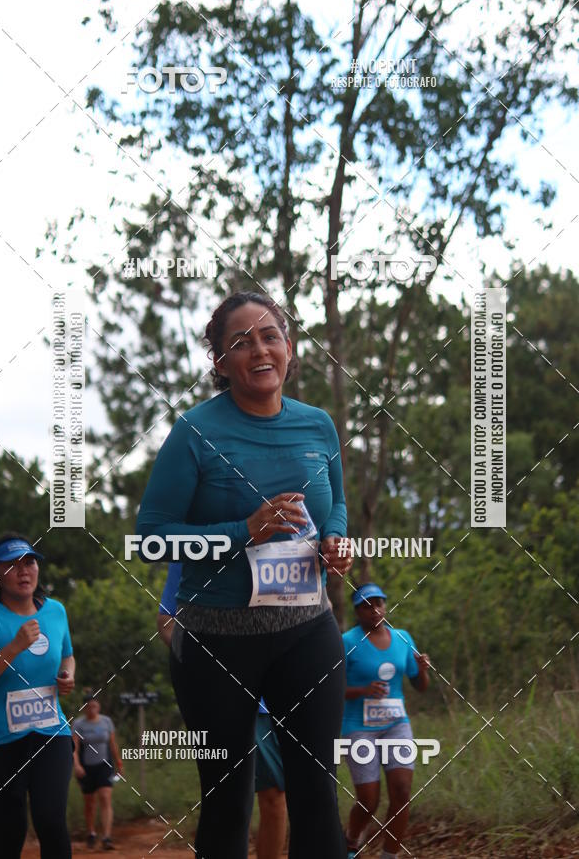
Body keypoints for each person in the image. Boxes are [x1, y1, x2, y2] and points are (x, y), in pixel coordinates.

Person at [137, 290, 353, 859]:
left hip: (308, 631)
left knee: (316, 797)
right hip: (215, 644)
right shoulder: (195, 432)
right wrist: (243, 531)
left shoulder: (318, 427)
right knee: (229, 803)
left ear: (290, 347)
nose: (259, 349)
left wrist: (334, 539)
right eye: (240, 342)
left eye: (269, 335)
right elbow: (151, 538)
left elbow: (336, 506)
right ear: (221, 363)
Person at [158, 563, 287, 859]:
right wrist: (205, 664)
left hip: (274, 696)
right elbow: (166, 621)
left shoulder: (282, 542)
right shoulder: (195, 548)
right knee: (227, 798)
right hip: (224, 696)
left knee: (275, 795)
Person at [0, 533, 75, 859]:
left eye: (29, 562)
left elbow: (68, 655)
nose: (24, 571)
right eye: (12, 565)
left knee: (51, 821)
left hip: (51, 732)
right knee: (10, 832)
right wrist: (14, 646)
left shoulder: (56, 611)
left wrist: (68, 674)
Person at [342, 583, 430, 859]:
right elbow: (331, 688)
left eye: (379, 604)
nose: (375, 610)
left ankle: (389, 855)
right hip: (359, 727)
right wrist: (362, 691)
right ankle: (352, 840)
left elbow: (420, 685)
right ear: (357, 611)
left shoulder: (403, 638)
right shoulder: (346, 642)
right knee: (369, 800)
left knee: (402, 792)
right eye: (367, 606)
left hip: (396, 724)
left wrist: (424, 670)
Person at [72, 691, 124, 850]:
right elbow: (74, 747)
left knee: (105, 797)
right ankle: (91, 833)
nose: (92, 709)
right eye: (88, 706)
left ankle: (107, 837)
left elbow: (112, 744)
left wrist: (119, 763)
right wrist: (77, 765)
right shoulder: (79, 724)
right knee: (89, 802)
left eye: (94, 706)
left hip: (104, 765)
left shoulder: (106, 722)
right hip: (86, 767)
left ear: (98, 706)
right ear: (84, 708)